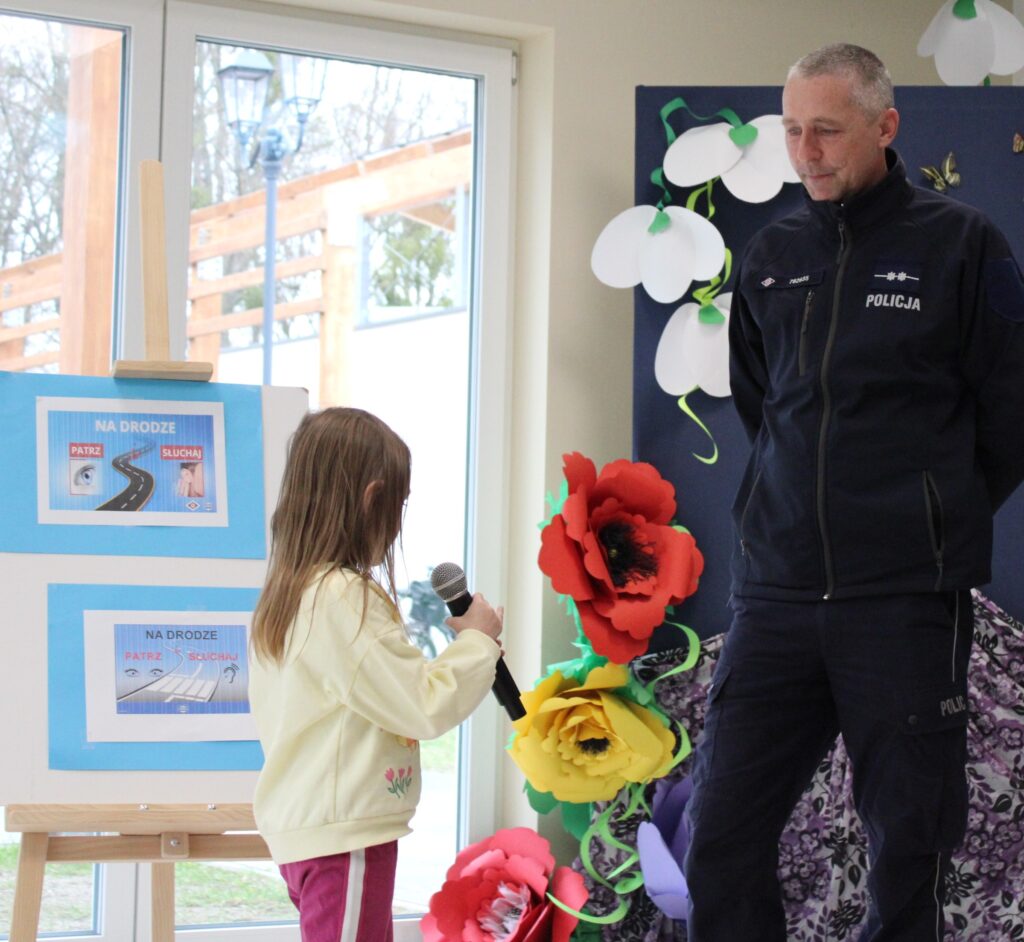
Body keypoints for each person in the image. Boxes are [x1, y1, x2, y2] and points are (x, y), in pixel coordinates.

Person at [683, 43, 1024, 941]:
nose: (807, 152)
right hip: (776, 598)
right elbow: (765, 406)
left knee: (909, 848)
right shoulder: (770, 254)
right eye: (794, 130)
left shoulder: (962, 245)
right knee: (718, 839)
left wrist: (926, 517)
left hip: (903, 602)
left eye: (827, 131)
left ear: (885, 125)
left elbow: (1010, 417)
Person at [249, 407, 503, 942]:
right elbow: (421, 703)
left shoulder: (293, 591)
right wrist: (478, 641)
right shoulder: (341, 598)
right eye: (398, 505)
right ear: (372, 499)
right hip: (343, 837)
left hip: (318, 830)